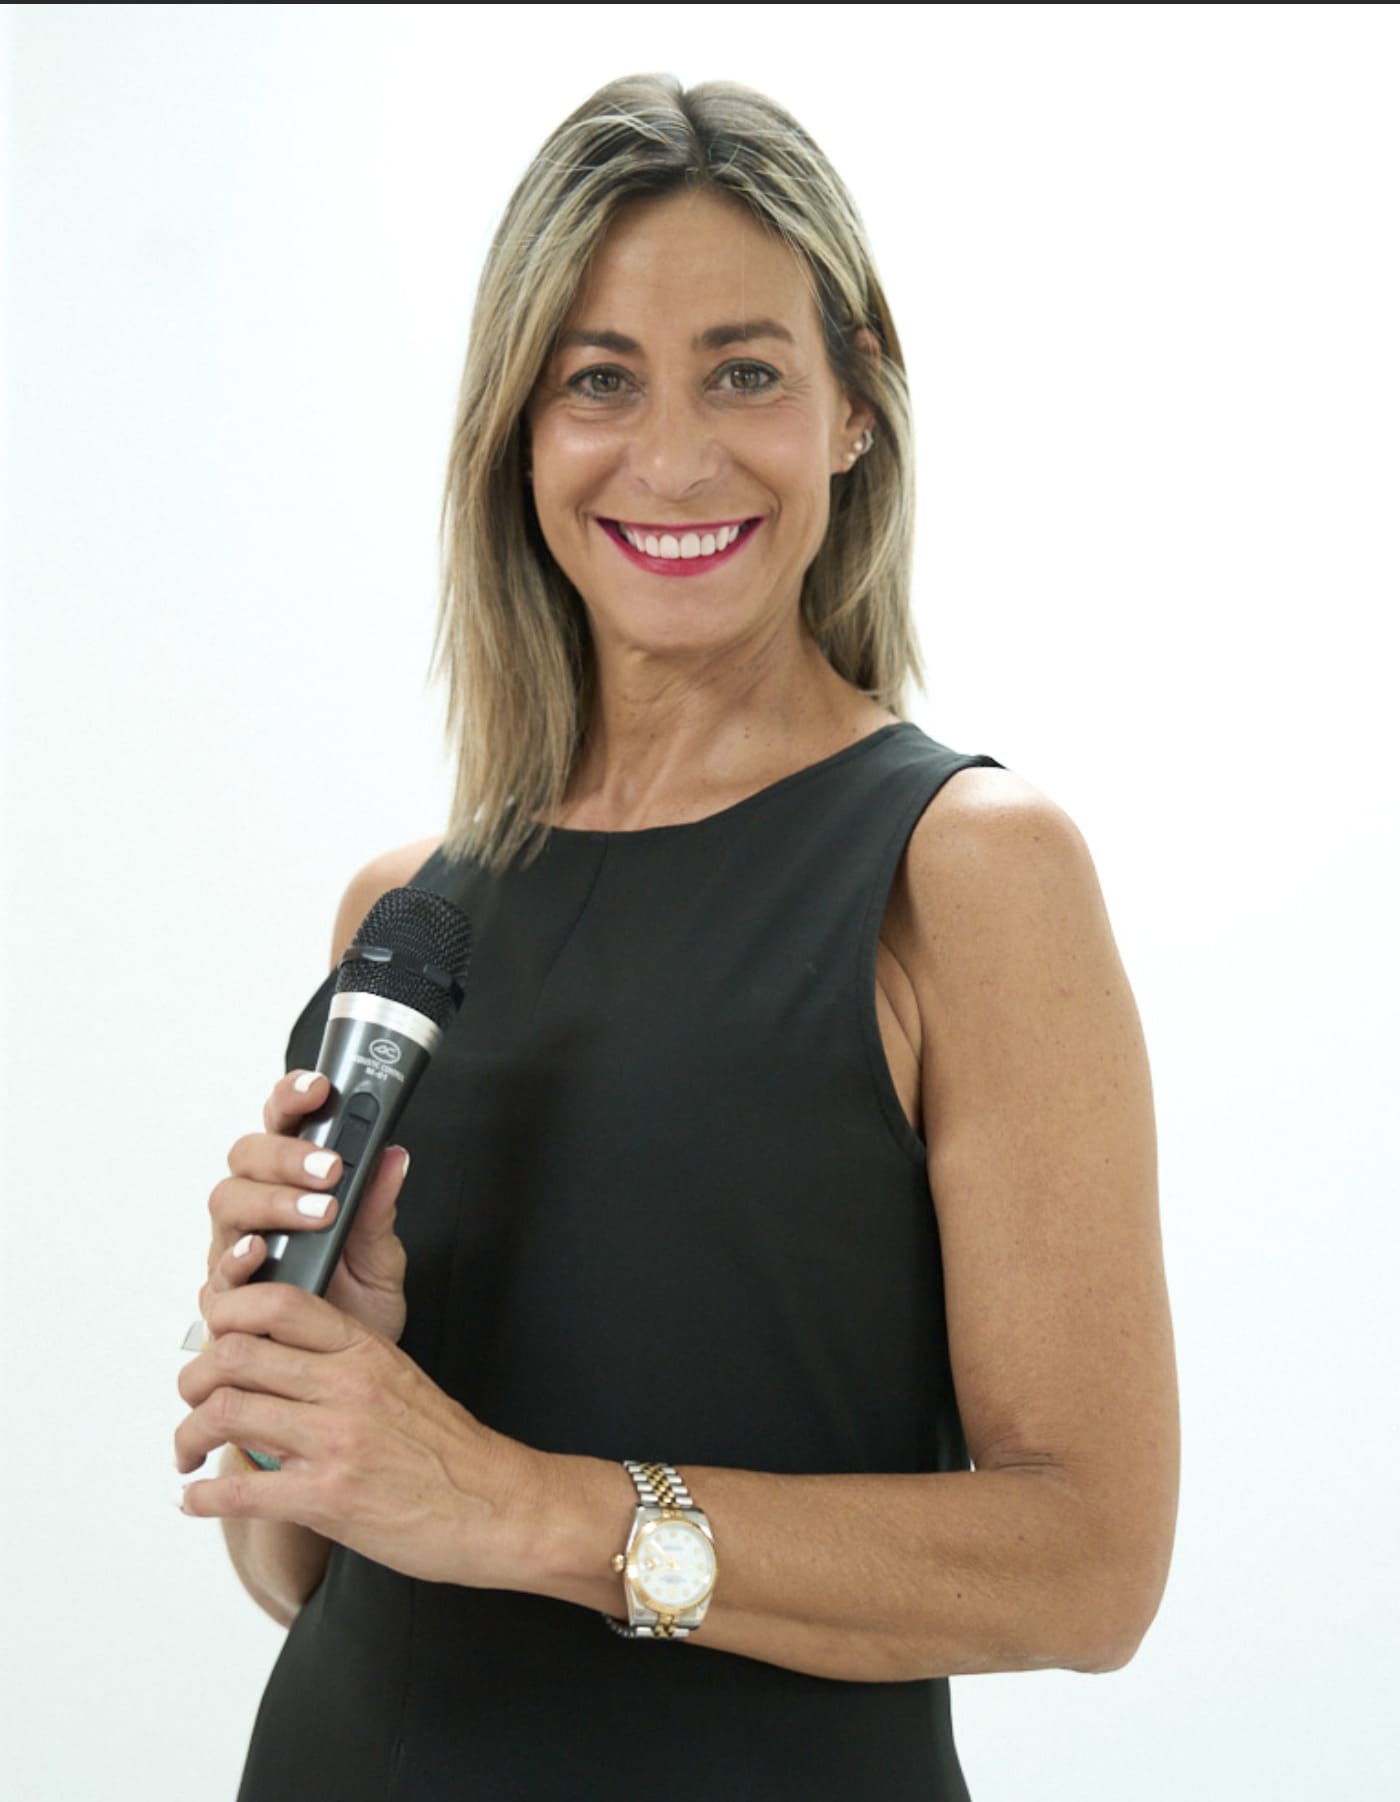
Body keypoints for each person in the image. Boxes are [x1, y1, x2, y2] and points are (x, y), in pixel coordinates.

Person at [175, 72, 1179, 1801]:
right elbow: (296, 1567)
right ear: (519, 432)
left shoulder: (967, 869)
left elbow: (1091, 1567)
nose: (673, 456)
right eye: (599, 380)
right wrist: (303, 1375)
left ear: (854, 404)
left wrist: (518, 1502)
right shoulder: (404, 915)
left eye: (745, 371)